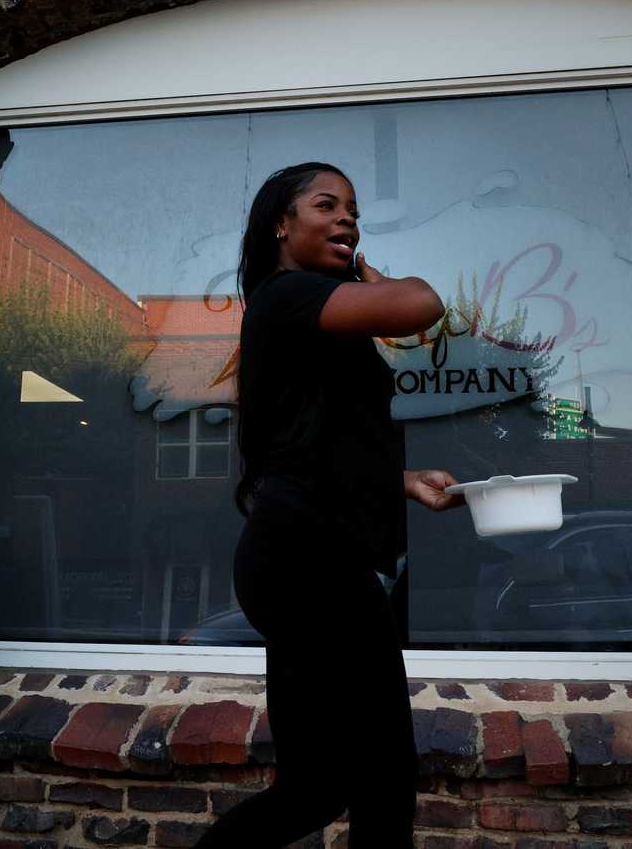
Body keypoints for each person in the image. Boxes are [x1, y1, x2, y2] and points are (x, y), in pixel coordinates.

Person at [196, 162, 463, 848]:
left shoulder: (305, 318)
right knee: (383, 782)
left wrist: (401, 481)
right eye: (328, 206)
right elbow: (423, 304)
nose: (348, 218)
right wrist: (369, 272)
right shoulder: (288, 295)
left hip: (296, 555)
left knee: (315, 787)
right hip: (310, 562)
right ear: (282, 224)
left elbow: (316, 444)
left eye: (354, 210)